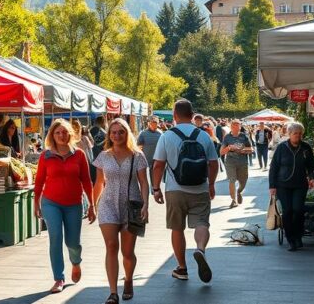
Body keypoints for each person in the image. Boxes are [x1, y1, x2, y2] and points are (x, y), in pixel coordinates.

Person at [151, 99, 218, 284]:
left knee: (177, 228)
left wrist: (156, 188)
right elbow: (214, 163)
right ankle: (200, 249)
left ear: (174, 115)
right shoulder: (204, 135)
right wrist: (211, 184)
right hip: (200, 188)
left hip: (175, 190)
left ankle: (181, 268)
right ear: (192, 114)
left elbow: (158, 165)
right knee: (202, 223)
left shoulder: (166, 136)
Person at [34, 119, 95, 293]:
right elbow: (39, 181)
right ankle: (58, 278)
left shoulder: (79, 155)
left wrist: (92, 204)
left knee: (73, 242)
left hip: (74, 203)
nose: (61, 135)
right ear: (52, 135)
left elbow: (86, 180)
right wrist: (36, 203)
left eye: (64, 132)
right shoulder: (45, 155)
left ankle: (76, 262)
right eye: (57, 132)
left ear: (70, 134)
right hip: (51, 203)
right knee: (55, 237)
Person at [92, 118, 149, 303]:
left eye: (121, 132)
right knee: (110, 246)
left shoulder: (137, 155)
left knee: (127, 252)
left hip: (131, 205)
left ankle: (129, 280)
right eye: (114, 132)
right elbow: (99, 183)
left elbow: (143, 182)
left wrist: (146, 204)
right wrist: (93, 205)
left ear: (127, 134)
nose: (117, 135)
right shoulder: (103, 156)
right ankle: (113, 292)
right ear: (109, 135)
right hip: (108, 204)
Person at [268, 122, 314, 251]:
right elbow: (274, 167)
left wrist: (312, 177)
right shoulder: (281, 147)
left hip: (300, 184)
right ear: (289, 134)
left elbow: (310, 165)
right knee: (288, 211)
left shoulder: (305, 147)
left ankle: (298, 236)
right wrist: (272, 186)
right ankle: (290, 239)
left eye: (300, 133)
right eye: (295, 133)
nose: (298, 136)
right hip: (282, 184)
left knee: (298, 210)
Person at [220, 120, 252, 208]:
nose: (235, 127)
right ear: (231, 127)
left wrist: (242, 150)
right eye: (234, 125)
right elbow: (222, 152)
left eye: (237, 125)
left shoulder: (244, 136)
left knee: (243, 180)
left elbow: (251, 149)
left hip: (242, 162)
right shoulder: (227, 137)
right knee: (232, 180)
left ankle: (239, 192)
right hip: (230, 162)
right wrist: (229, 147)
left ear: (240, 126)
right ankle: (233, 200)